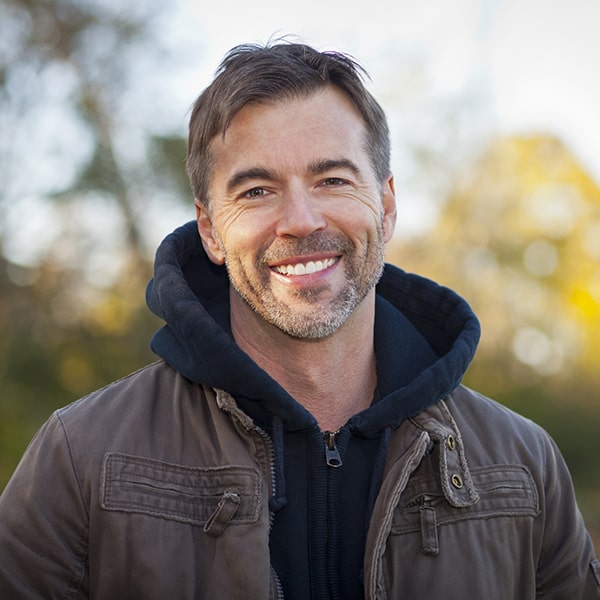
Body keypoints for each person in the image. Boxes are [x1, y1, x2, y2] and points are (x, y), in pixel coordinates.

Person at [0, 40, 598, 600]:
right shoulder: (80, 458)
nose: (300, 220)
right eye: (257, 191)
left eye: (332, 179)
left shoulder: (524, 465)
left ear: (385, 207)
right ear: (210, 229)